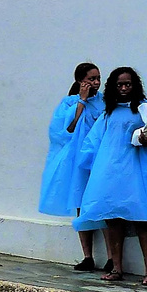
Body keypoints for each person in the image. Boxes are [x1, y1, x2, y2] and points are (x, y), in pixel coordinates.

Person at [77, 67, 147, 286]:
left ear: (135, 85)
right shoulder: (109, 113)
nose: (124, 88)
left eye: (128, 84)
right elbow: (93, 142)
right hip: (111, 171)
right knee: (113, 217)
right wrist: (90, 166)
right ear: (113, 87)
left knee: (143, 218)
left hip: (138, 172)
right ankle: (117, 267)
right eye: (119, 84)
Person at [37, 62, 106, 271]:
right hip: (79, 160)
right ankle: (88, 256)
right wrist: (82, 102)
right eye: (91, 79)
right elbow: (67, 129)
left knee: (104, 205)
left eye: (97, 78)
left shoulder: (104, 101)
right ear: (80, 81)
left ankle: (112, 257)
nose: (95, 82)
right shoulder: (69, 103)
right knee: (81, 204)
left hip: (100, 158)